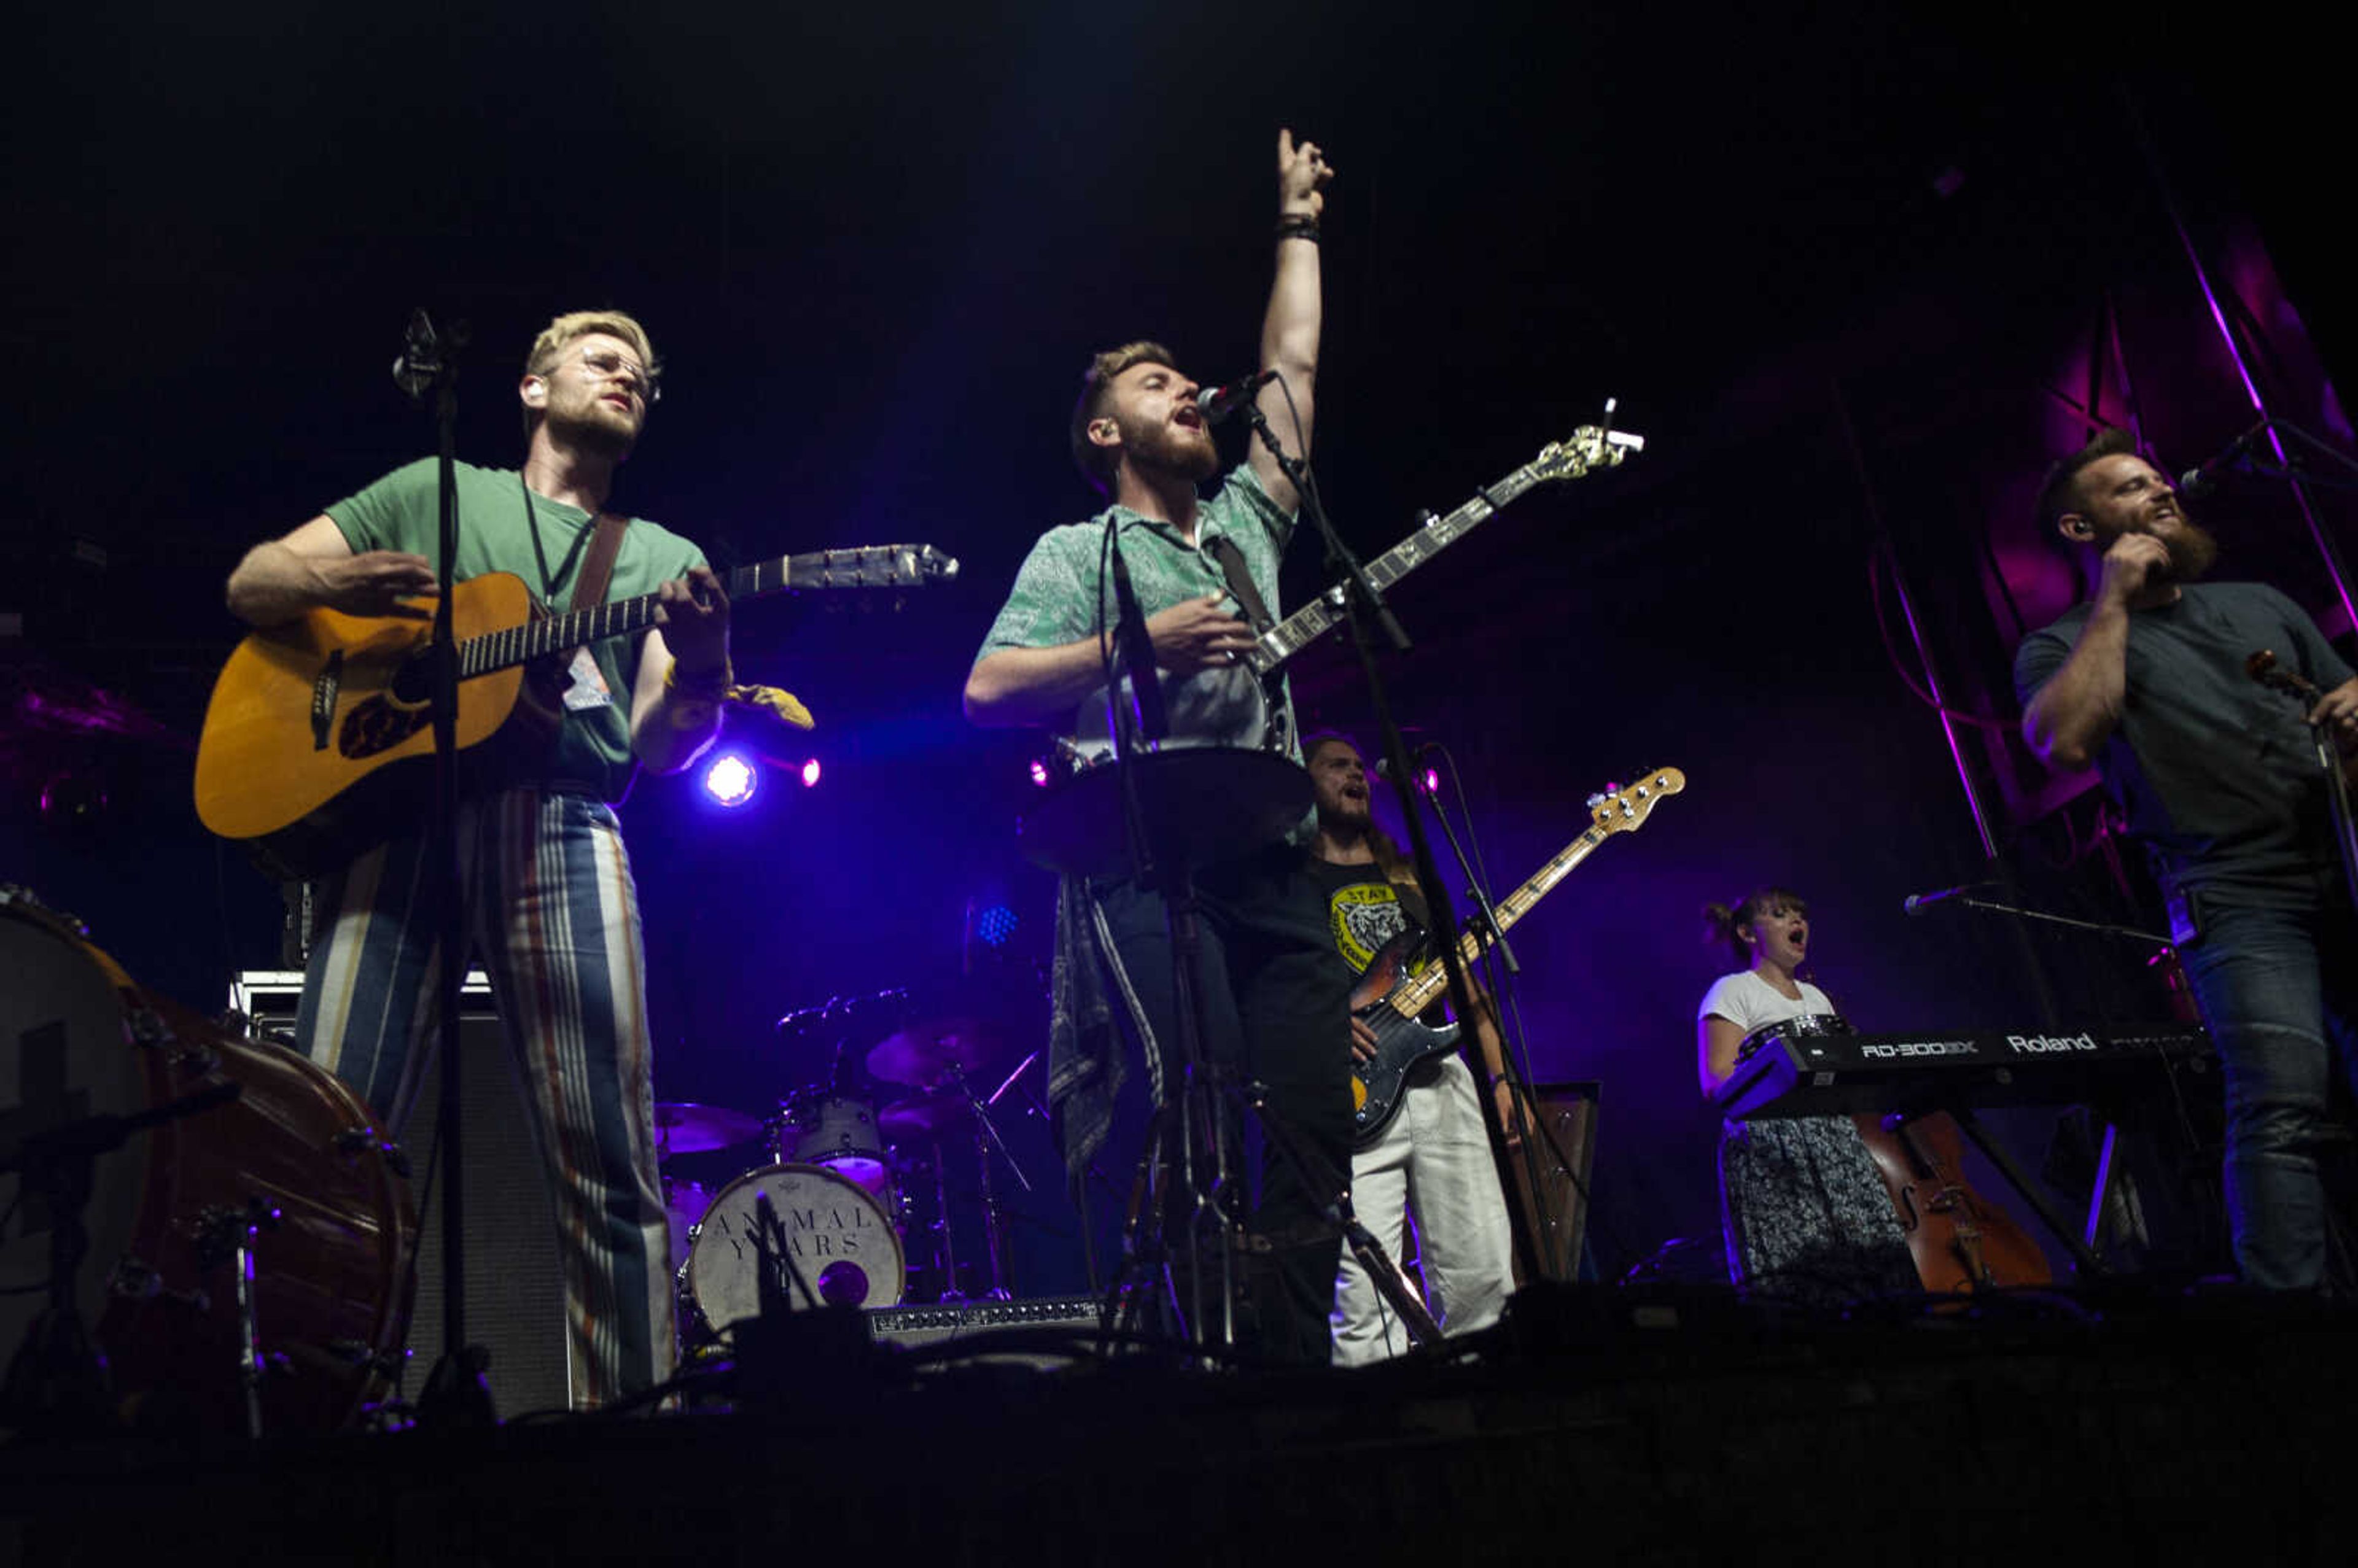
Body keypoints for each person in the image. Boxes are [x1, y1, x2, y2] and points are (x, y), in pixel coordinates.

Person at [224, 309, 733, 1405]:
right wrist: (333, 588)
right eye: (603, 360)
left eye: (643, 374)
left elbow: (663, 745)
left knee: (609, 1162)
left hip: (559, 818)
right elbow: (252, 583)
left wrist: (703, 668)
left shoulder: (663, 558)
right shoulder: (431, 489)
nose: (628, 377)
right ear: (532, 387)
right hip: (396, 818)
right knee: (329, 1141)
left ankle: (634, 1443)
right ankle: (311, 1432)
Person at [963, 129, 1347, 1362]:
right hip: (1146, 866)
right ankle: (1208, 1363)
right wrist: (1139, 648)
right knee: (1196, 1103)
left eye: (1189, 381)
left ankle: (1295, 1370)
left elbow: (1289, 366)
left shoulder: (1242, 524)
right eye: (1153, 387)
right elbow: (985, 691)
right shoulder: (1080, 552)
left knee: (1307, 1121)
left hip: (1278, 870)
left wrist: (1297, 226)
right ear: (1103, 435)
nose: (1187, 392)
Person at [2015, 427, 2358, 1292]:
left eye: (2159, 478)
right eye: (2131, 488)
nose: (2162, 491)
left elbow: (2341, 732)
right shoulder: (2063, 645)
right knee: (2281, 1108)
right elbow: (2064, 740)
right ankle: (2298, 1328)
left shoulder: (2261, 604)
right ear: (2081, 530)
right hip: (2237, 898)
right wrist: (2115, 605)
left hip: (2345, 864)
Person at [1300, 734, 1520, 1362]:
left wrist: (1501, 1079)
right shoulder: (1294, 882)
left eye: (1360, 766)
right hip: (1355, 1089)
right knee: (1367, 1294)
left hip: (1444, 1081)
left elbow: (1471, 993)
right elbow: (1271, 991)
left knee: (1481, 1270)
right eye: (1336, 765)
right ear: (1304, 783)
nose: (1357, 774)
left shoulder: (1411, 878)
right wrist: (1322, 1021)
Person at [1697, 888, 1918, 1301]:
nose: (1797, 923)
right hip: (1773, 1146)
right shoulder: (1733, 991)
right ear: (1747, 933)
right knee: (1803, 1272)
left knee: (1870, 1264)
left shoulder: (1817, 998)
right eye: (1780, 915)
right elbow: (1716, 1080)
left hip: (1835, 1140)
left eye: (1801, 915)